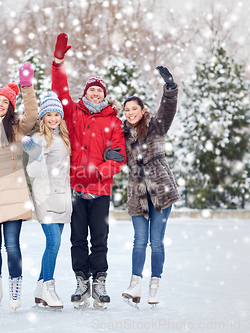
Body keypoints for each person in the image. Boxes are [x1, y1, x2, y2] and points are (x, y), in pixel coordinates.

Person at [51, 33, 126, 309]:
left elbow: (118, 157)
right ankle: (82, 280)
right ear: (86, 92)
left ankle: (100, 281)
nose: (95, 93)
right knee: (77, 238)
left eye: (100, 90)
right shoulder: (74, 113)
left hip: (100, 189)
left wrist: (99, 173)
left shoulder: (114, 122)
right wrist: (58, 64)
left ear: (105, 95)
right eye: (92, 89)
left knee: (100, 239)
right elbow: (60, 93)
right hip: (75, 188)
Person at [0, 63, 38, 311]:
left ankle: (15, 288)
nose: (0, 104)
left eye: (5, 102)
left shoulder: (14, 128)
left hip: (13, 192)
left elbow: (32, 115)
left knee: (12, 245)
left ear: (10, 106)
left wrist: (26, 87)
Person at [121, 66, 180, 308]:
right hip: (137, 193)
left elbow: (168, 109)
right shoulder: (122, 133)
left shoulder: (156, 126)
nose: (131, 112)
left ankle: (154, 285)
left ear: (142, 110)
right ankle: (135, 284)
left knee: (156, 241)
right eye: (126, 110)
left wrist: (170, 89)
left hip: (161, 191)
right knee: (138, 240)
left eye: (135, 108)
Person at [22, 92, 72, 309]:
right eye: (48, 115)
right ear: (42, 117)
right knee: (54, 243)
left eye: (56, 114)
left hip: (62, 196)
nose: (53, 119)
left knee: (54, 244)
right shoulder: (38, 139)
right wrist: (37, 156)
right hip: (45, 196)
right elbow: (32, 170)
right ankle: (49, 288)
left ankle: (40, 287)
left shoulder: (64, 138)